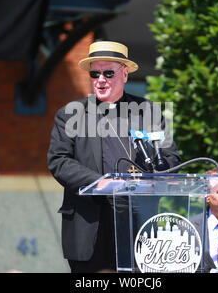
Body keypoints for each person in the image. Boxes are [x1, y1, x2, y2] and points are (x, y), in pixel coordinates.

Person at [47, 41, 180, 273]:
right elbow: (58, 161)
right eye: (95, 73)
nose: (101, 79)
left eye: (108, 73)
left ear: (125, 74)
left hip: (139, 223)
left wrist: (153, 174)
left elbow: (171, 158)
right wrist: (101, 183)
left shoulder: (147, 111)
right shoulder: (70, 114)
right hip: (90, 223)